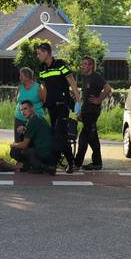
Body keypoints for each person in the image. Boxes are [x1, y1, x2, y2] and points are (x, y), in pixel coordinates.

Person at [35, 42, 80, 173]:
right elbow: (44, 88)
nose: (38, 56)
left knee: (57, 134)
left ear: (46, 53)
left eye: (39, 53)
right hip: (51, 106)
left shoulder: (60, 64)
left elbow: (72, 81)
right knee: (61, 136)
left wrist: (78, 101)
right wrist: (43, 102)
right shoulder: (42, 68)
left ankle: (52, 164)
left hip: (62, 105)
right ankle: (71, 162)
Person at [74, 56, 113, 170]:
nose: (82, 66)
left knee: (84, 137)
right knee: (91, 137)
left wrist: (98, 100)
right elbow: (85, 97)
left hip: (92, 112)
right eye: (82, 64)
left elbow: (108, 89)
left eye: (85, 64)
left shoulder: (96, 77)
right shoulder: (85, 77)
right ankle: (96, 163)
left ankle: (77, 163)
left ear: (91, 66)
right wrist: (81, 112)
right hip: (86, 111)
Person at [9, 100, 55, 174]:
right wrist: (24, 131)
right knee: (24, 149)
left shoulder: (32, 121)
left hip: (43, 152)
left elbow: (24, 145)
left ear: (32, 108)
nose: (23, 112)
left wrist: (13, 144)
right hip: (50, 152)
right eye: (21, 110)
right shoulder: (39, 117)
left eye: (25, 109)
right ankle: (34, 166)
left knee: (15, 150)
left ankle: (42, 167)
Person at [14, 67, 46, 143]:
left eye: (21, 76)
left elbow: (43, 101)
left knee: (34, 142)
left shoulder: (38, 87)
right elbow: (16, 100)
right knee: (19, 142)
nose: (19, 78)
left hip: (35, 119)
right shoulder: (20, 87)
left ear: (27, 77)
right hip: (19, 118)